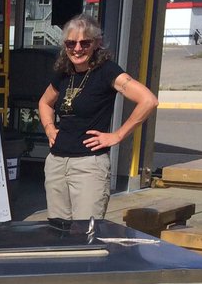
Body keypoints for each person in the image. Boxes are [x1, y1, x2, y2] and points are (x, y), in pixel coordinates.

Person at [36, 15, 158, 220]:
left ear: (96, 44)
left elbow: (148, 100)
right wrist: (49, 128)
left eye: (85, 43)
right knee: (57, 230)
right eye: (71, 43)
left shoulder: (106, 71)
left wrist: (117, 135)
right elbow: (44, 102)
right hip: (57, 162)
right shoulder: (65, 72)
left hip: (88, 165)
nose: (77, 49)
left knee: (86, 233)